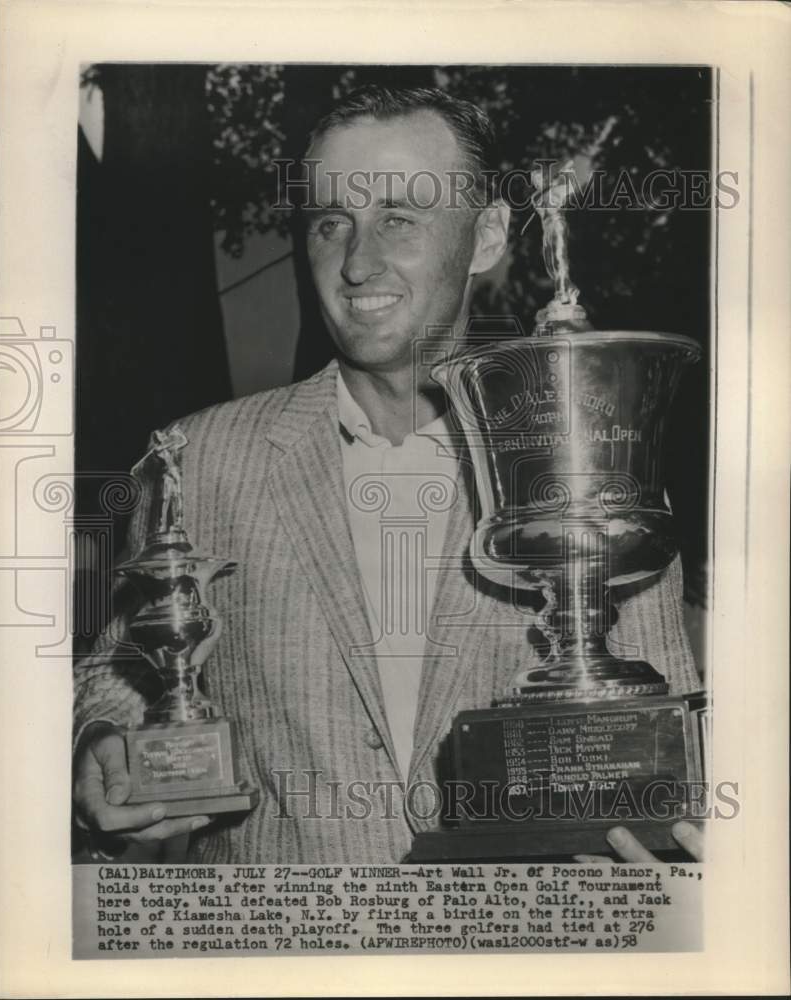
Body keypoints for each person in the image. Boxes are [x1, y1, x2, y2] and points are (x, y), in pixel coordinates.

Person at [73, 85, 703, 864]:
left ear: (484, 238)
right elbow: (123, 668)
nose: (357, 262)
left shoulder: (592, 461)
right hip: (284, 958)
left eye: (400, 219)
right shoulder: (197, 458)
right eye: (331, 222)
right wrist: (98, 742)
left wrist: (669, 864)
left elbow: (665, 721)